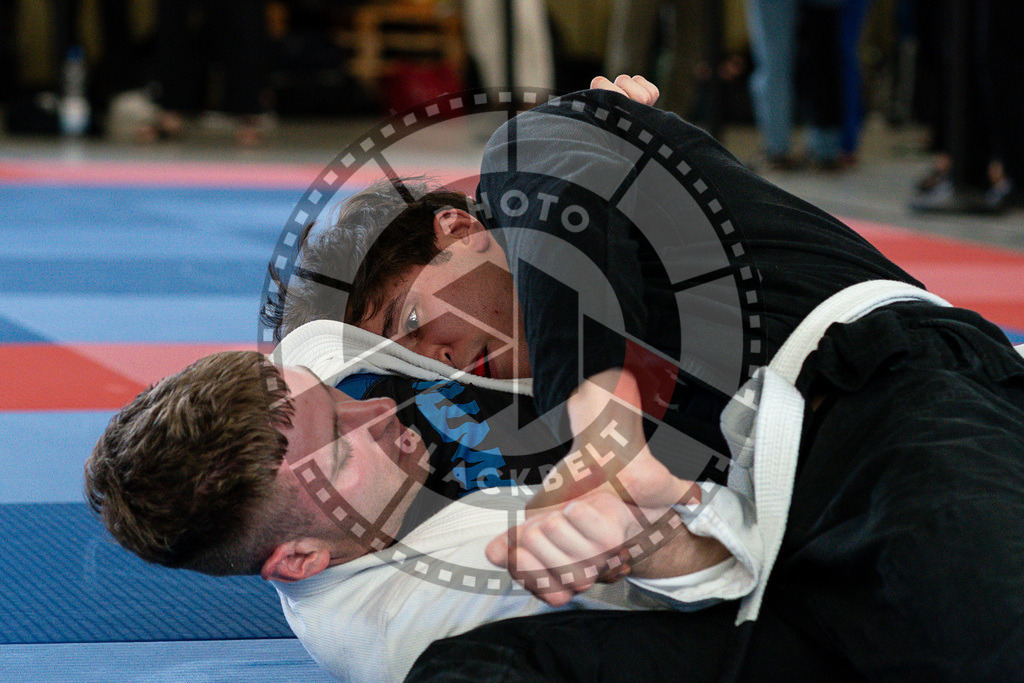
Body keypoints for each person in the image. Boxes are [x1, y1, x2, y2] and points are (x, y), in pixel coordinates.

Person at [273, 76, 1024, 678]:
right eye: (411, 359)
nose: (437, 359)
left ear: (457, 229)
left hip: (892, 397)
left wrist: (603, 441)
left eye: (409, 321)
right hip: (792, 566)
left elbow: (559, 191)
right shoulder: (530, 414)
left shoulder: (528, 155)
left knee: (967, 635)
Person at [85, 344, 748, 681]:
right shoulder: (448, 602)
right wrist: (649, 516)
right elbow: (741, 616)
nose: (382, 409)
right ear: (299, 558)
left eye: (341, 398)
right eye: (344, 451)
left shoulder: (325, 528)